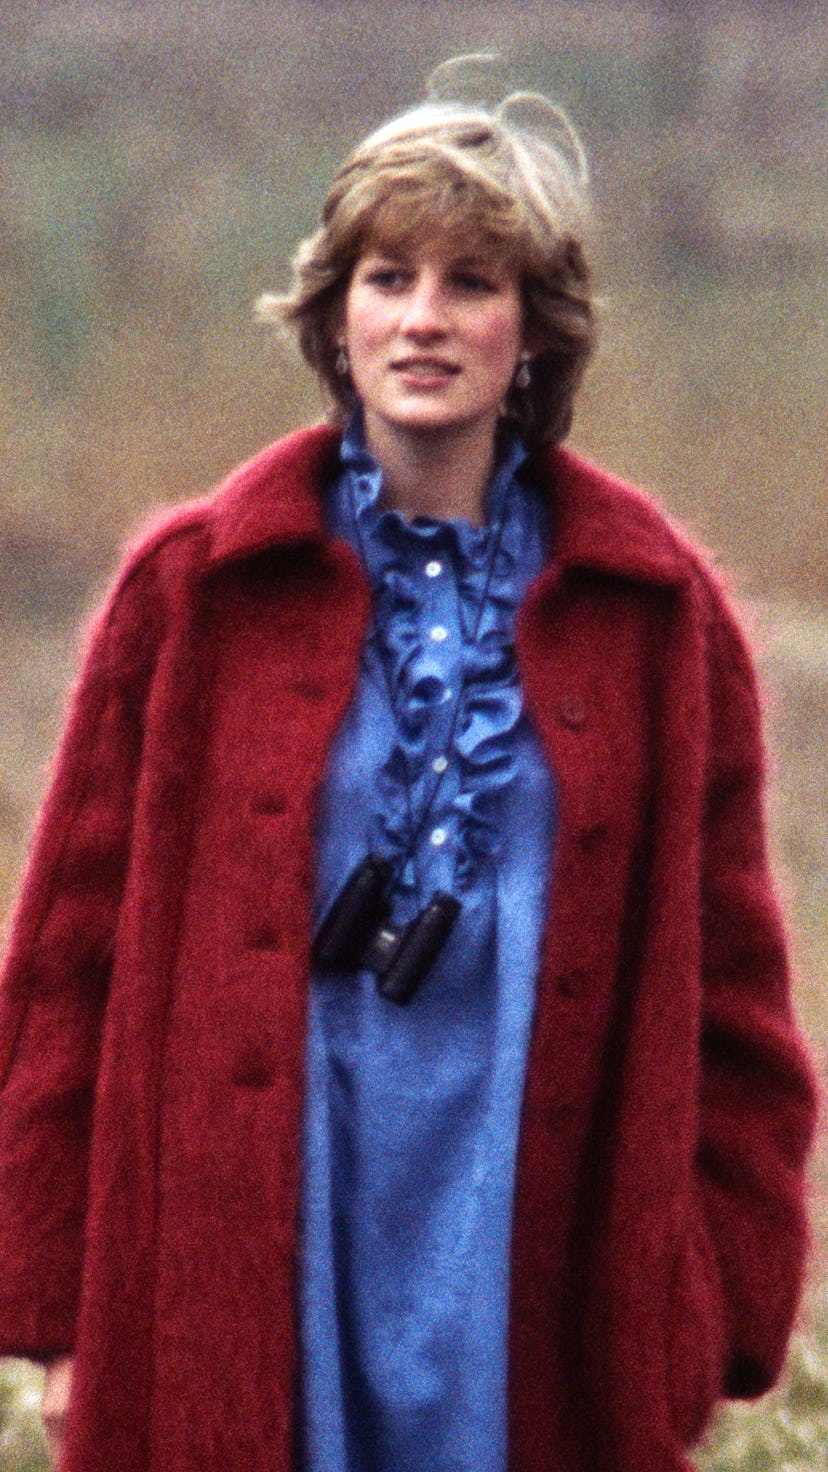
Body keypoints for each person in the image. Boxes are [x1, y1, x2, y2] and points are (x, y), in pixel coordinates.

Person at [0, 60, 818, 1472]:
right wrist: (60, 1309)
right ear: (334, 316)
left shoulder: (659, 620)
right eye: (388, 278)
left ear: (536, 332)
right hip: (241, 1256)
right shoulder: (190, 594)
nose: (424, 318)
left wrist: (710, 1310)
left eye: (472, 283)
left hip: (526, 1265)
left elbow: (735, 1006)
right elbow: (65, 973)